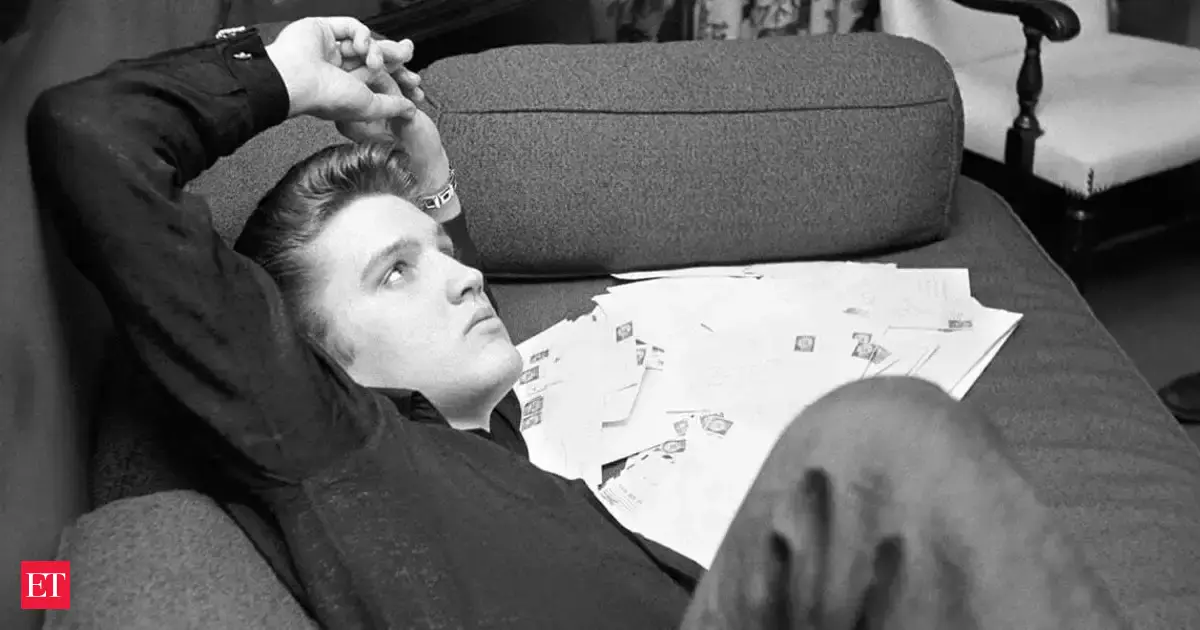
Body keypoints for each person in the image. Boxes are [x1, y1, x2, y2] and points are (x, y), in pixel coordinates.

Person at [27, 16, 1132, 629]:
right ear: (321, 362)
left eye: (440, 253)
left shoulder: (478, 442)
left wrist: (422, 169)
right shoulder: (338, 448)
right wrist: (285, 73)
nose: (462, 279)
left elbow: (454, 280)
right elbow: (88, 138)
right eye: (396, 274)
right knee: (879, 441)